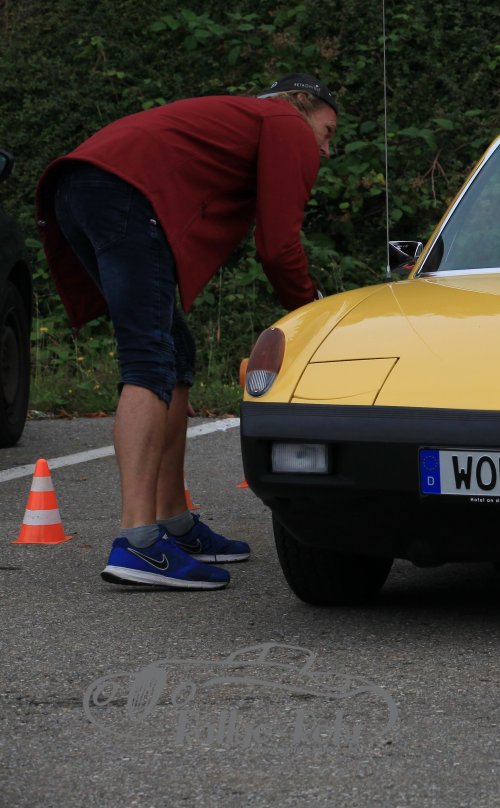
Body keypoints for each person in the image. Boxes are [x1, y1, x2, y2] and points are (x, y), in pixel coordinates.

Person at [35, 73, 339, 590]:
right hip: (123, 194)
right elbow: (277, 244)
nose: (327, 150)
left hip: (78, 188)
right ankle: (138, 542)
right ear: (301, 103)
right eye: (328, 132)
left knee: (175, 351)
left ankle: (174, 522)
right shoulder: (284, 121)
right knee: (149, 358)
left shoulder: (243, 121)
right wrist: (314, 311)